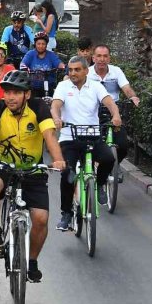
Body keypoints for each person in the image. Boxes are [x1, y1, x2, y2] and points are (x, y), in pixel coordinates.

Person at [0, 70, 65, 281]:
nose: (10, 97)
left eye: (16, 93)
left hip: (33, 169)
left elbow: (49, 135)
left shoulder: (38, 108)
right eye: (7, 92)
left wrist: (58, 159)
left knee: (41, 219)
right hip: (3, 165)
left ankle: (32, 261)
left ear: (26, 94)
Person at [51, 56, 121, 231]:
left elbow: (109, 102)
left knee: (109, 158)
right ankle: (66, 214)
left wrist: (116, 115)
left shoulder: (95, 86)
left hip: (92, 136)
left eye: (77, 69)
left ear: (86, 71)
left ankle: (98, 185)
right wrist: (57, 118)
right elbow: (55, 105)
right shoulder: (63, 86)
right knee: (68, 172)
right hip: (69, 138)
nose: (73, 73)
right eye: (71, 69)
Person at [88, 44, 139, 166]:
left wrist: (133, 97)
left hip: (113, 111)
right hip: (93, 112)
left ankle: (116, 166)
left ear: (109, 58)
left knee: (123, 146)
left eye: (105, 56)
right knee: (91, 143)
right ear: (93, 58)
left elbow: (126, 88)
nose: (102, 59)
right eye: (99, 56)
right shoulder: (87, 73)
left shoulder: (116, 71)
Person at [21, 33, 65, 98]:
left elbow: (59, 63)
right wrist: (25, 68)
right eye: (38, 44)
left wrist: (61, 66)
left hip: (49, 86)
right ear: (35, 44)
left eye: (43, 44)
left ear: (46, 45)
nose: (41, 46)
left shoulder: (51, 55)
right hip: (33, 87)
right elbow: (23, 64)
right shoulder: (30, 54)